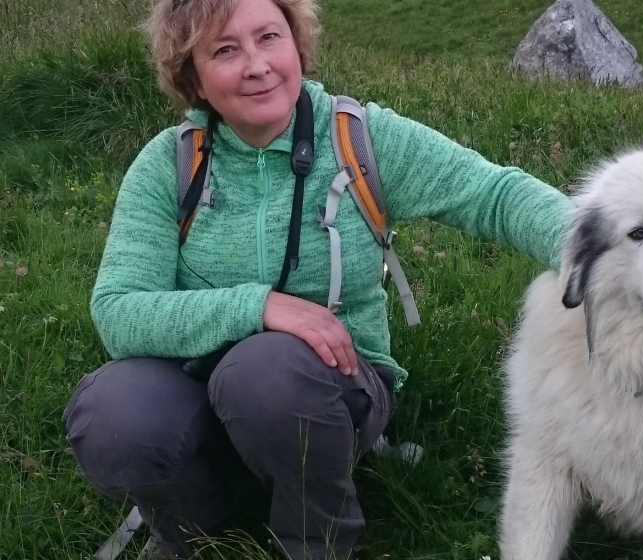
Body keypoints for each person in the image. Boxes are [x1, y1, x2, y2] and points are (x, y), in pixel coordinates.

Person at [61, 0, 572, 558]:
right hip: (195, 381)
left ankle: (317, 542)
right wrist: (259, 308)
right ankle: (197, 535)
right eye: (226, 50)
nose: (257, 64)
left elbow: (494, 194)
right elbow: (118, 310)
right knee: (112, 412)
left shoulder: (359, 140)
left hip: (332, 386)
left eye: (269, 37)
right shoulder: (169, 165)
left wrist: (600, 249)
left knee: (263, 372)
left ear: (298, 45)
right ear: (194, 79)